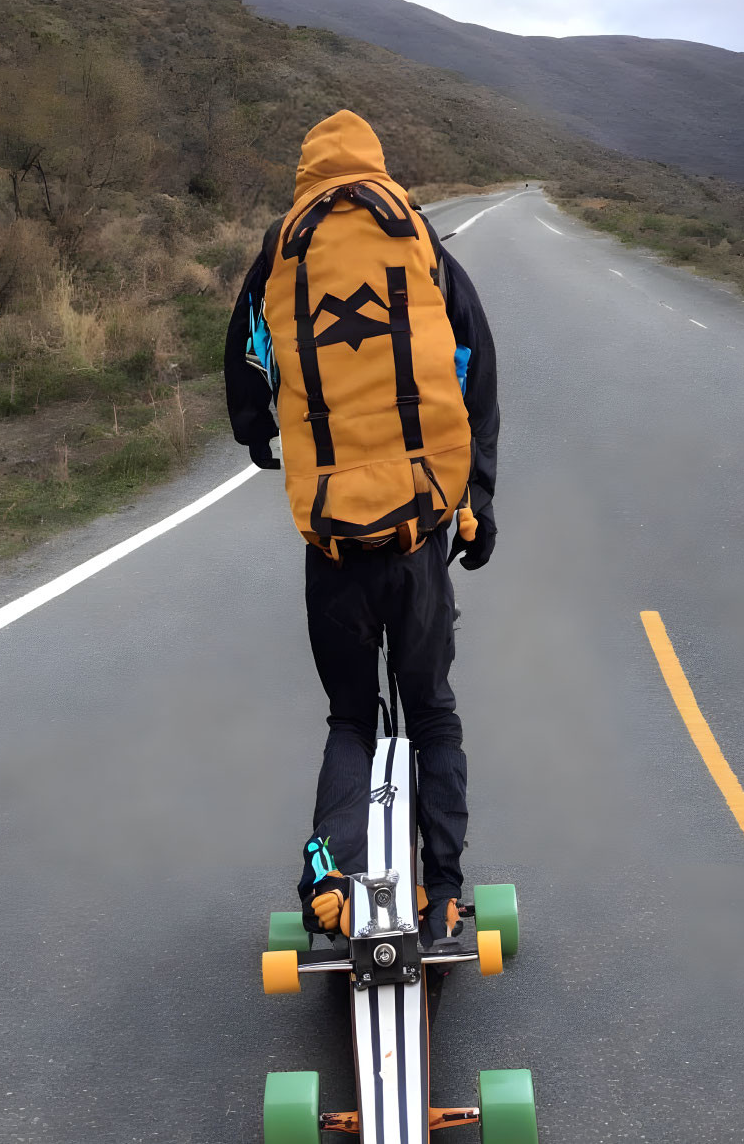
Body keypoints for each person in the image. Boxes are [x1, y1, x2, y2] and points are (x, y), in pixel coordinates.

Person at [224, 110, 499, 945]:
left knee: (351, 716)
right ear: (375, 164)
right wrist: (476, 498)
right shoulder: (415, 236)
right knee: (434, 712)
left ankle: (329, 880)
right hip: (418, 533)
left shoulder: (283, 248)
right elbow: (475, 366)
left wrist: (259, 434)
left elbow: (245, 358)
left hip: (333, 540)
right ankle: (444, 889)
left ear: (308, 172)